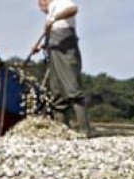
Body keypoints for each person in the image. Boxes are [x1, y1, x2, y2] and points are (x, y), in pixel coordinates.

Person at [37, 0, 90, 136]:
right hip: (54, 54)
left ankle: (84, 130)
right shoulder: (49, 15)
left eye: (40, 2)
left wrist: (54, 18)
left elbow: (73, 9)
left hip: (66, 52)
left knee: (73, 88)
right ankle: (62, 130)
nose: (40, 6)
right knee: (57, 92)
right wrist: (41, 47)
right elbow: (51, 38)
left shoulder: (60, 3)